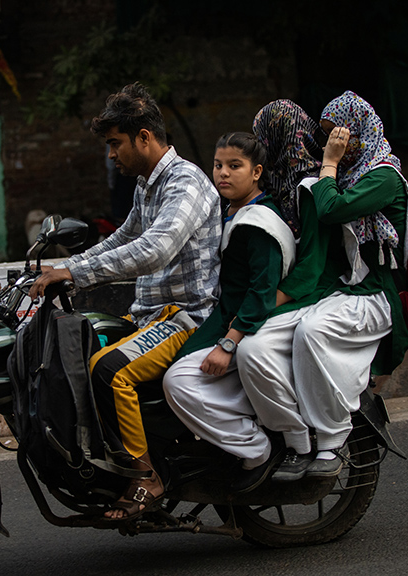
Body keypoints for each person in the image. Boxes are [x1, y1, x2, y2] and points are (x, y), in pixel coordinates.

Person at [29, 82, 222, 520]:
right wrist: (66, 267)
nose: (112, 155)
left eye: (115, 144)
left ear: (144, 137)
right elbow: (124, 237)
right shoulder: (147, 187)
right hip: (153, 316)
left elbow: (155, 248)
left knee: (110, 370)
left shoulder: (185, 182)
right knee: (88, 343)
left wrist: (75, 273)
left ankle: (145, 476)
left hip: (187, 319)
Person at [238, 91, 408, 482]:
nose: (330, 144)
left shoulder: (382, 176)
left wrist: (329, 164)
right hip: (339, 292)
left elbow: (331, 208)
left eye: (339, 136)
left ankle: (332, 439)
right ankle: (295, 440)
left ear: (360, 132)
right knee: (252, 347)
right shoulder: (339, 177)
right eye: (326, 136)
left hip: (373, 295)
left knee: (312, 332)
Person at [162, 131, 295, 493]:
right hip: (221, 317)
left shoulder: (260, 223)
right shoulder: (229, 211)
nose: (223, 173)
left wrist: (229, 343)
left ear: (256, 172)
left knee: (179, 381)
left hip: (247, 325)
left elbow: (262, 291)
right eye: (219, 165)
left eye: (235, 166)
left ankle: (254, 448)